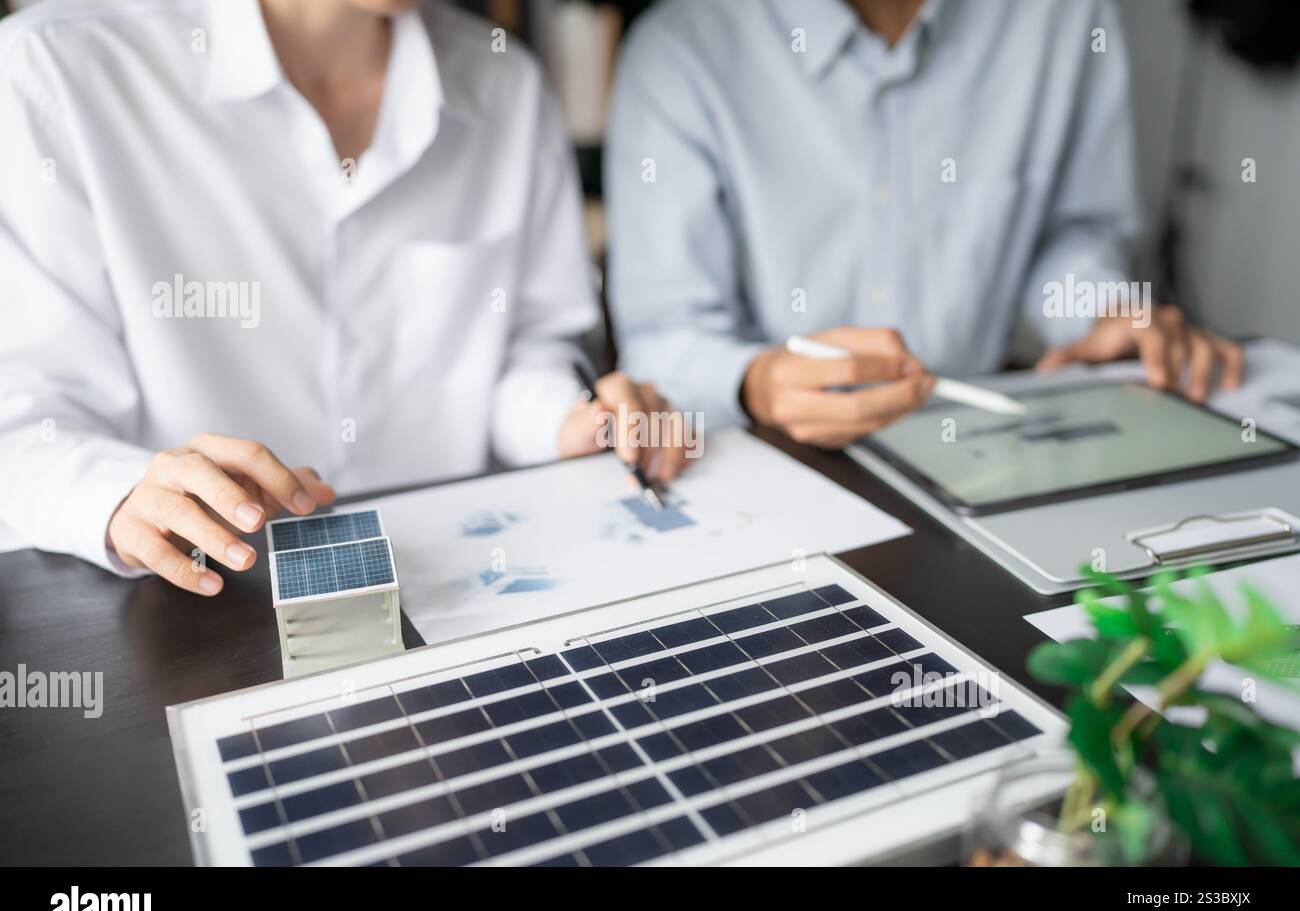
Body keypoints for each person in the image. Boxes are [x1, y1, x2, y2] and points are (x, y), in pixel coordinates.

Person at [0, 0, 689, 595]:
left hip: (455, 590)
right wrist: (122, 496)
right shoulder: (54, 72)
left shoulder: (506, 84)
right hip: (191, 609)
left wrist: (571, 421)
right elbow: (27, 421)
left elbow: (524, 352)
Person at [605, 0, 1244, 450]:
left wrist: (1101, 310)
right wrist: (757, 384)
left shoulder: (1064, 16)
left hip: (986, 452)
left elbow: (1068, 236)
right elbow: (665, 335)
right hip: (765, 467)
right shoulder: (680, 48)